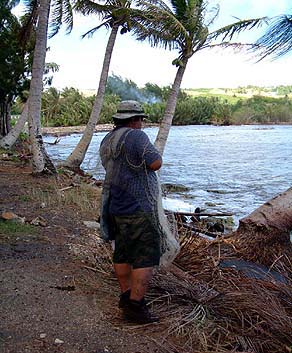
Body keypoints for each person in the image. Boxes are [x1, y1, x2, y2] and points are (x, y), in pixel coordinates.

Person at [99, 100, 163, 324]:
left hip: (116, 205)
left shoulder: (107, 140)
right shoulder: (137, 136)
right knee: (145, 256)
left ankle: (126, 297)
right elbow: (155, 163)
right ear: (136, 120)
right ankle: (135, 306)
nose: (142, 123)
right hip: (139, 208)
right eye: (141, 120)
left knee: (123, 252)